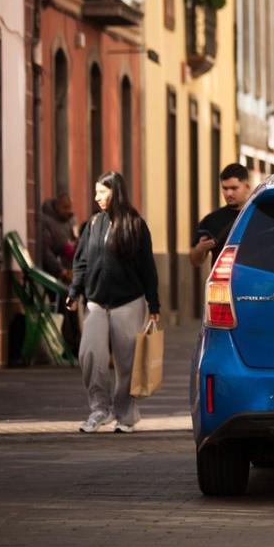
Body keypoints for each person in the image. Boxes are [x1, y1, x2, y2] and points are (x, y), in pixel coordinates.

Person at [68, 172, 161, 434]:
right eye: (96, 192)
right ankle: (100, 409)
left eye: (102, 192)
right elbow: (81, 262)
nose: (97, 197)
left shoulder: (135, 225)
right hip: (96, 303)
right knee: (89, 354)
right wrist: (74, 292)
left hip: (128, 303)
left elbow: (147, 268)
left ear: (116, 192)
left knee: (127, 362)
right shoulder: (93, 225)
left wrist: (154, 305)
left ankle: (125, 415)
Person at [190, 163, 252, 267]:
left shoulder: (261, 216)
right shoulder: (211, 220)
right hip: (224, 282)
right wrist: (200, 249)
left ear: (247, 187)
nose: (228, 193)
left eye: (234, 188)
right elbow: (195, 261)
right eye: (225, 188)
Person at [39, 193, 77, 282]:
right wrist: (59, 269)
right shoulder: (46, 221)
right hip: (53, 271)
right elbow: (45, 250)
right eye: (65, 207)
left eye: (69, 207)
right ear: (57, 206)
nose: (68, 211)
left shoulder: (70, 221)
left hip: (69, 267)